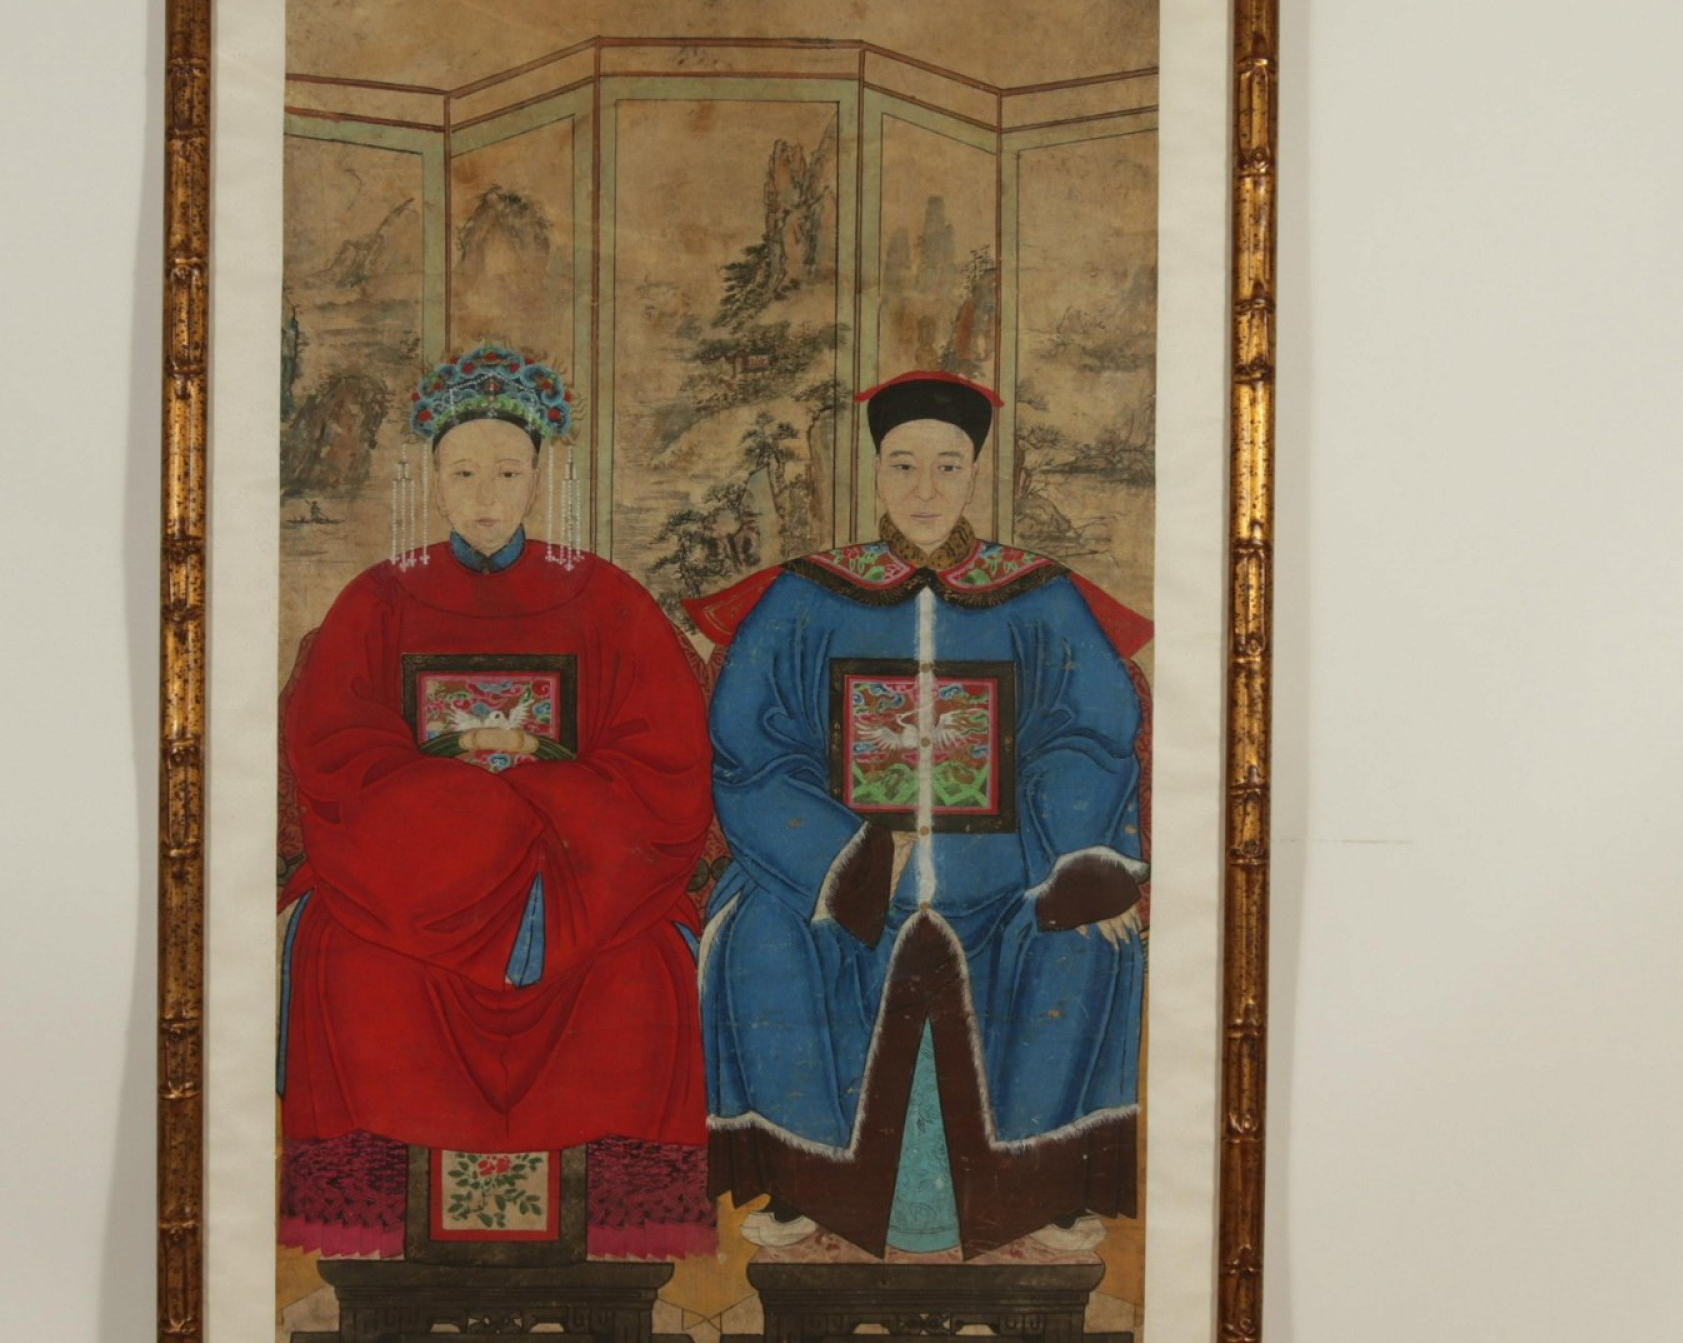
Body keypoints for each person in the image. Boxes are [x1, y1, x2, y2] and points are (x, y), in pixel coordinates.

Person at [690, 371, 1150, 1259]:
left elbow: (1089, 736)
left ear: (976, 472)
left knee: (1081, 941)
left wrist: (1074, 860)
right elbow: (751, 746)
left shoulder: (1040, 594)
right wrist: (852, 856)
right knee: (760, 936)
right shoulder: (808, 595)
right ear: (876, 473)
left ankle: (1045, 1190)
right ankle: (804, 1184)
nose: (926, 489)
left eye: (947, 466)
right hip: (845, 862)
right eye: (903, 465)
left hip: (1011, 864)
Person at [278, 345, 715, 1255]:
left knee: (644, 966)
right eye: (464, 473)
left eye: (508, 473)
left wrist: (535, 780)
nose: (485, 497)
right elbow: (335, 755)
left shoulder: (607, 599)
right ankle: (373, 1238)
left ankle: (615, 1246)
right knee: (341, 955)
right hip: (411, 877)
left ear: (540, 477)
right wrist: (471, 778)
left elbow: (662, 762)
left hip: (578, 881)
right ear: (432, 478)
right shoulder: (376, 600)